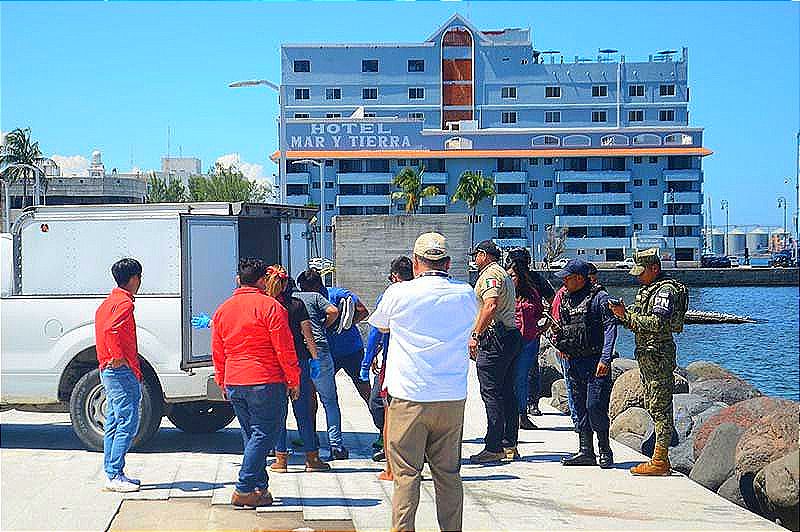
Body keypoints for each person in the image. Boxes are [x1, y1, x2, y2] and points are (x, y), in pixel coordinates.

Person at [368, 232, 478, 532]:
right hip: (451, 396)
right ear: (448, 263)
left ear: (416, 263)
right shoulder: (465, 292)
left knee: (406, 475)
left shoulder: (399, 293)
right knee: (449, 474)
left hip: (409, 395)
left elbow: (380, 324)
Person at [211, 258, 301, 508]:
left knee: (251, 436)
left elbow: (218, 350)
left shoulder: (223, 309)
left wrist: (222, 379)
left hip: (235, 379)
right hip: (265, 379)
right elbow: (284, 348)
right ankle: (244, 487)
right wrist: (294, 379)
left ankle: (259, 488)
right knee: (264, 435)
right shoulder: (271, 307)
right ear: (262, 281)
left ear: (239, 280)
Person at [610, 248, 688, 476]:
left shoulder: (664, 291)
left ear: (654, 268)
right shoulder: (648, 289)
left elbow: (657, 323)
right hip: (647, 354)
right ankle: (659, 456)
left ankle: (660, 459)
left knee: (660, 406)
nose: (637, 276)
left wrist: (626, 316)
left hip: (658, 355)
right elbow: (638, 320)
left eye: (641, 272)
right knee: (654, 404)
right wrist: (623, 314)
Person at [551, 259, 617, 469]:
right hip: (573, 361)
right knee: (579, 408)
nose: (564, 283)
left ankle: (605, 450)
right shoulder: (566, 299)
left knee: (594, 406)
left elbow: (610, 328)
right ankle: (585, 451)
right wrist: (561, 345)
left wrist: (605, 359)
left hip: (595, 361)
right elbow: (562, 326)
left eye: (567, 278)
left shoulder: (599, 298)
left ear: (579, 278)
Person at [265, 267, 331, 474]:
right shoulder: (297, 304)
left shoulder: (267, 306)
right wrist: (315, 359)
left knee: (279, 412)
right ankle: (311, 458)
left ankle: (281, 459)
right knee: (303, 411)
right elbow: (308, 335)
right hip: (298, 361)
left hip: (275, 364)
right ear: (287, 284)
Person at [468, 240, 523, 464]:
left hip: (495, 339)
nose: (474, 259)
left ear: (484, 255)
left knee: (491, 393)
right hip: (509, 336)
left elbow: (490, 305)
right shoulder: (503, 274)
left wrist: (475, 335)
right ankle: (509, 444)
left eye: (476, 255)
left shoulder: (490, 275)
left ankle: (494, 446)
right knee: (507, 393)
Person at [95, 258, 144, 493]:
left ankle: (112, 472)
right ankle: (115, 474)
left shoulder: (108, 302)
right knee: (128, 421)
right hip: (120, 370)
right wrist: (118, 356)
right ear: (134, 278)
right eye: (139, 277)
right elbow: (110, 330)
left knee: (114, 421)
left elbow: (104, 328)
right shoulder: (124, 303)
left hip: (108, 369)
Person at [361, 255, 414, 468]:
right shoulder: (425, 293)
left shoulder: (390, 295)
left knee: (380, 403)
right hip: (418, 361)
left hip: (394, 360)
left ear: (393, 276)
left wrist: (366, 363)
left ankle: (389, 446)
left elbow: (376, 332)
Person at [295, 270, 349, 460]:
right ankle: (336, 446)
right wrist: (325, 325)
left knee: (303, 401)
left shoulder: (292, 297)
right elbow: (333, 311)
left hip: (298, 353)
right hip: (319, 350)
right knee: (329, 400)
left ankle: (310, 441)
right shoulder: (316, 296)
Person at [298, 270, 372, 407]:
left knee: (364, 389)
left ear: (313, 287)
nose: (302, 292)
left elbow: (363, 311)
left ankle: (382, 424)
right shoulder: (311, 299)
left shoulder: (339, 294)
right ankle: (311, 427)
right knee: (312, 391)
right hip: (328, 353)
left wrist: (345, 325)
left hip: (351, 351)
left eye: (304, 289)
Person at [504, 247, 553, 417]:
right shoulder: (506, 280)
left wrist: (544, 325)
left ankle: (529, 405)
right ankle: (517, 409)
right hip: (511, 335)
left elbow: (552, 301)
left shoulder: (535, 280)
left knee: (529, 370)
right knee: (514, 373)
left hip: (530, 335)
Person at [507, 261, 544, 431]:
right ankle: (509, 414)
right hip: (509, 339)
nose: (510, 279)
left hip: (529, 340)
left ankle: (522, 414)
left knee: (522, 378)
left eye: (513, 276)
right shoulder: (504, 293)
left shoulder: (532, 293)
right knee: (507, 379)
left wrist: (541, 329)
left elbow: (540, 312)